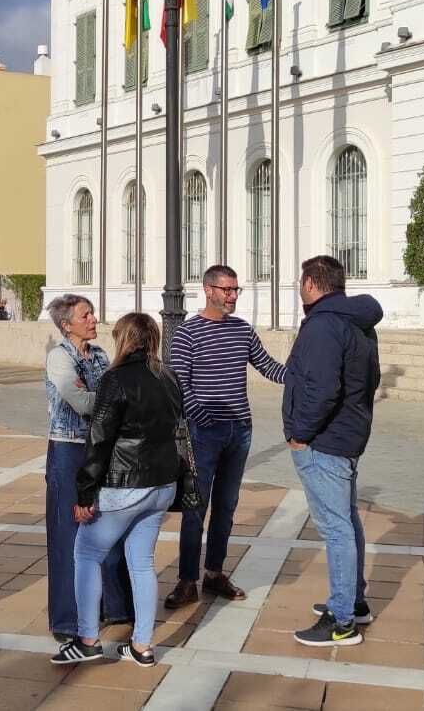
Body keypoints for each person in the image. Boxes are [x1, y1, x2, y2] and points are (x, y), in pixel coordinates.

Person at [53, 312, 182, 668]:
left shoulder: (115, 379)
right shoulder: (168, 376)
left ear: (124, 339)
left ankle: (87, 638)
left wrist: (84, 494)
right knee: (142, 563)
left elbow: (99, 439)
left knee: (87, 554)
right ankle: (142, 646)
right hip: (162, 484)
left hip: (126, 485)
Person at [165, 265, 287, 610]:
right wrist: (200, 417)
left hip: (240, 432)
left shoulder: (242, 330)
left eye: (236, 290)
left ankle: (214, 573)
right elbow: (179, 383)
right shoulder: (188, 333)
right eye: (227, 290)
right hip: (204, 433)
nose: (232, 296)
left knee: (227, 507)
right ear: (208, 290)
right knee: (195, 508)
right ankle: (187, 580)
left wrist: (304, 373)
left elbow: (269, 367)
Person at [284, 255, 383, 648]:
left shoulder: (324, 326)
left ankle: (342, 621)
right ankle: (352, 602)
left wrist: (299, 433)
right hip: (347, 435)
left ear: (310, 284)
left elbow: (323, 389)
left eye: (299, 283)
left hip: (324, 442)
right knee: (347, 522)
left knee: (336, 528)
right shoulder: (358, 323)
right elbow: (370, 379)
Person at [42, 295, 131, 644]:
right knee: (67, 535)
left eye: (92, 312)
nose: (94, 319)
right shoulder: (59, 357)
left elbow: (105, 395)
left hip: (100, 447)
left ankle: (117, 604)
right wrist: (121, 401)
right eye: (86, 314)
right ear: (67, 324)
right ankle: (67, 620)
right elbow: (80, 401)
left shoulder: (99, 356)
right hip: (67, 449)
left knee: (108, 527)